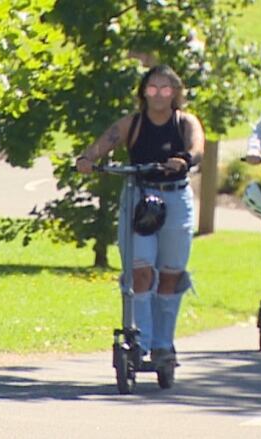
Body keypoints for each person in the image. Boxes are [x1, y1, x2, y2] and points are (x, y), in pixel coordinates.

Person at [76, 64, 205, 367]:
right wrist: (87, 158)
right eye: (152, 88)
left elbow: (197, 147)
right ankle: (141, 343)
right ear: (143, 92)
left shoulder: (184, 122)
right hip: (139, 196)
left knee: (171, 274)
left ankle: (163, 345)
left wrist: (184, 159)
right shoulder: (131, 124)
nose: (158, 95)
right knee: (141, 270)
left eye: (165, 89)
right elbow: (103, 143)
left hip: (175, 196)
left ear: (175, 93)